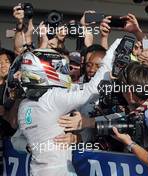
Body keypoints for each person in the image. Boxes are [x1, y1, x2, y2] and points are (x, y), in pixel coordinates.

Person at [14, 39, 119, 176]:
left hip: (36, 170)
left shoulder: (24, 104)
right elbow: (92, 90)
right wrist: (113, 51)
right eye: (61, 68)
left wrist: (35, 146)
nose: (66, 72)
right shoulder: (52, 98)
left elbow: (17, 141)